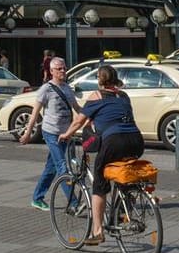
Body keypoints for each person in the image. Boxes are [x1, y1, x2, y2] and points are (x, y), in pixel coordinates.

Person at [59, 64, 145, 247]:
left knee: (99, 184)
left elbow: (78, 121)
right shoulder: (123, 96)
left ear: (100, 79)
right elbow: (114, 114)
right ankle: (123, 208)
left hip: (114, 141)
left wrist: (66, 134)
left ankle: (97, 232)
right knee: (124, 172)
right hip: (136, 140)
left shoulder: (96, 96)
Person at [21, 56, 78, 211]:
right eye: (59, 68)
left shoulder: (67, 88)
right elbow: (35, 113)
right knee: (62, 168)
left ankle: (37, 198)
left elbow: (77, 108)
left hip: (65, 134)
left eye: (64, 68)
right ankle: (74, 203)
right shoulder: (46, 89)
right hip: (51, 133)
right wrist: (28, 133)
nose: (63, 71)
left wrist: (89, 121)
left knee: (51, 168)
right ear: (51, 71)